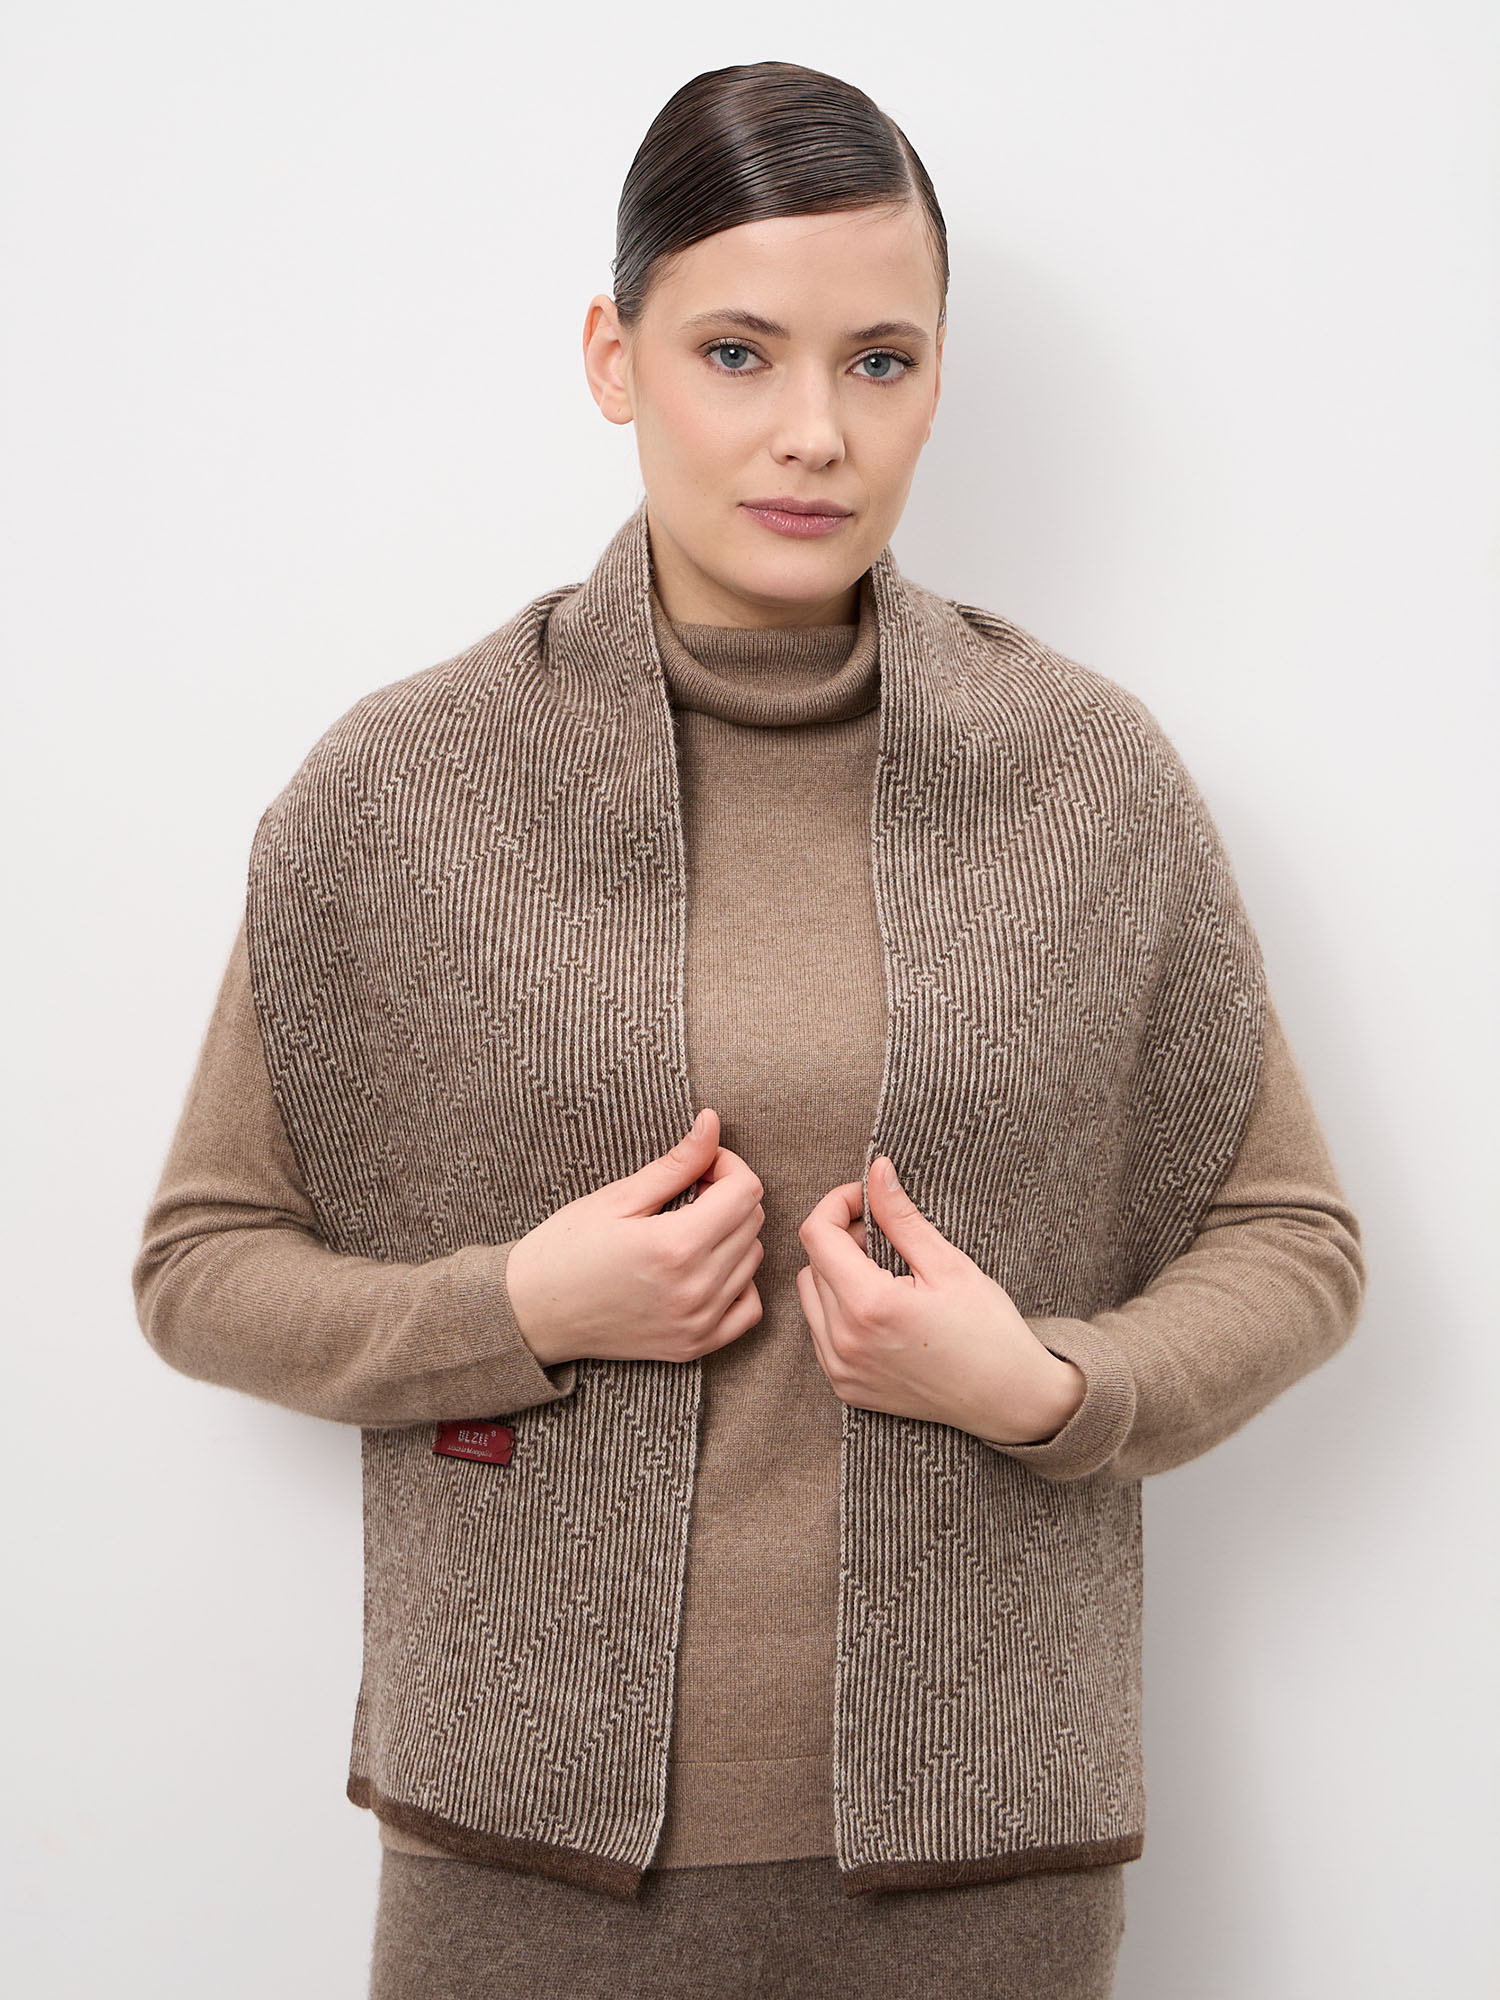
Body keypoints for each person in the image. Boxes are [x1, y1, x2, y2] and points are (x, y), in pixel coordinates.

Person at [132, 59, 1366, 2000]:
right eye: (736, 352)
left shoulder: (1088, 778)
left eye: (880, 360)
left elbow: (1291, 1235)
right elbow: (204, 1264)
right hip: (521, 1853)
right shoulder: (406, 786)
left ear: (940, 382)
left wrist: (1046, 1385)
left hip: (982, 1854)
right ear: (613, 357)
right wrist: (517, 1307)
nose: (813, 432)